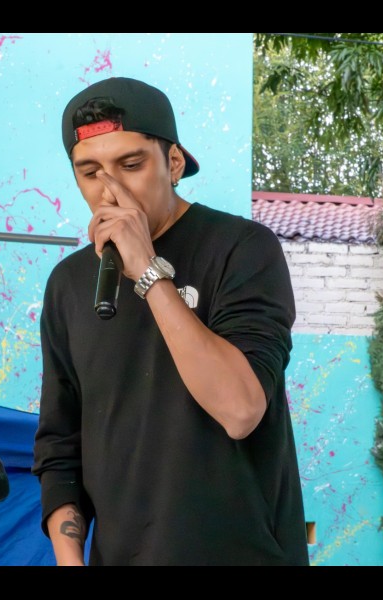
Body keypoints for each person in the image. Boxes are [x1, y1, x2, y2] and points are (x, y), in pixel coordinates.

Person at [32, 76, 309, 566]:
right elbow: (60, 445)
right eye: (90, 171)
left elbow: (240, 410)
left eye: (131, 165)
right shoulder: (69, 284)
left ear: (174, 163)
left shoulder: (242, 249)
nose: (111, 189)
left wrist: (147, 270)